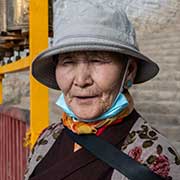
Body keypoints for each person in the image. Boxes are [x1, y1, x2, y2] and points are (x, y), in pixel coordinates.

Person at [24, 1, 180, 180]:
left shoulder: (153, 157)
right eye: (68, 62)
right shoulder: (48, 137)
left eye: (98, 60)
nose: (81, 81)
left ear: (129, 71)